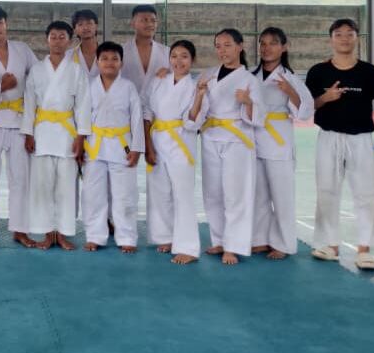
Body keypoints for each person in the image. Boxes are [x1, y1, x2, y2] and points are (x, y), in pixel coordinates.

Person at [306, 18, 374, 271]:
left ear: (356, 38)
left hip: (360, 137)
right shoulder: (318, 71)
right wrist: (325, 97)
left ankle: (365, 249)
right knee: (326, 190)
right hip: (328, 136)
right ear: (331, 39)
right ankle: (330, 244)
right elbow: (308, 106)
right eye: (338, 34)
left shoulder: (370, 72)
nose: (344, 38)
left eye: (349, 34)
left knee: (367, 191)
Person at [189, 28, 262, 266]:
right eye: (218, 46)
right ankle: (219, 240)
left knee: (235, 194)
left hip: (237, 140)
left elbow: (259, 117)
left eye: (227, 45)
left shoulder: (249, 80)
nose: (222, 50)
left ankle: (234, 246)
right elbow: (198, 109)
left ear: (240, 46)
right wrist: (200, 94)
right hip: (211, 137)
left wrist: (248, 102)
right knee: (212, 192)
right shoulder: (208, 75)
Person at [22, 20, 92, 251]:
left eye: (62, 37)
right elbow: (29, 103)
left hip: (66, 134)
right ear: (47, 40)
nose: (57, 41)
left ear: (70, 41)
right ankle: (46, 233)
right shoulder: (37, 70)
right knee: (42, 186)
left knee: (66, 187)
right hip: (42, 132)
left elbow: (83, 105)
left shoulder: (76, 70)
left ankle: (62, 233)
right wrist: (28, 133)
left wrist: (81, 137)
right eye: (53, 37)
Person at [0, 6, 39, 248]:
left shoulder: (23, 50)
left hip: (20, 120)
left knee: (21, 177)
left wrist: (32, 126)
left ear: (6, 23)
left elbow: (38, 80)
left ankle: (20, 229)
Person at [250, 27, 313, 260]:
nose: (267, 48)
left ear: (284, 47)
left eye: (273, 43)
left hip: (278, 141)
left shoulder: (290, 78)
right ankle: (259, 239)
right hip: (253, 139)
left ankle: (284, 243)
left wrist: (290, 92)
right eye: (263, 43)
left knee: (282, 195)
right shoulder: (250, 75)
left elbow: (305, 112)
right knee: (258, 194)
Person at [82, 42, 145, 253]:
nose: (109, 63)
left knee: (124, 194)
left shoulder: (128, 87)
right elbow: (81, 117)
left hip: (122, 145)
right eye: (105, 59)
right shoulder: (89, 86)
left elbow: (137, 118)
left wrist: (137, 148)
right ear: (97, 62)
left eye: (114, 59)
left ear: (121, 63)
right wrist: (80, 144)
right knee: (93, 194)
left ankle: (127, 237)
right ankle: (94, 236)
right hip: (94, 145)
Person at [142, 40, 201, 265]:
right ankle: (164, 236)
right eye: (174, 56)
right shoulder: (158, 81)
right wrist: (148, 145)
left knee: (183, 195)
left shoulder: (195, 87)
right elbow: (146, 110)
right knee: (159, 191)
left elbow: (193, 121)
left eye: (184, 56)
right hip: (157, 140)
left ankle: (188, 247)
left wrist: (200, 97)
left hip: (181, 142)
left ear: (192, 60)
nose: (178, 61)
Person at [121, 4, 170, 95]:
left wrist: (170, 73)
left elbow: (177, 79)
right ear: (133, 23)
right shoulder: (121, 51)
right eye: (144, 20)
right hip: (126, 102)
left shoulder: (167, 52)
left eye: (153, 21)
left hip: (158, 103)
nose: (150, 24)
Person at [65, 9, 100, 78]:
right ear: (75, 30)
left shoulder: (109, 54)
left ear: (96, 26)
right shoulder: (68, 56)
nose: (85, 28)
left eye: (89, 23)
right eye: (80, 24)